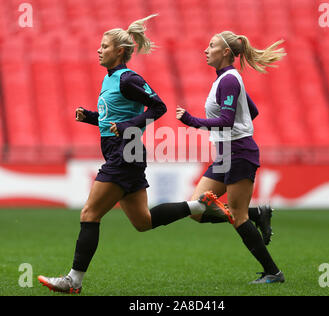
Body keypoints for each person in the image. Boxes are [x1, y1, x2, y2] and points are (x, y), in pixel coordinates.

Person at [37, 14, 233, 294]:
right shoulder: (111, 79)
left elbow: (158, 107)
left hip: (124, 154)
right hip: (124, 153)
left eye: (104, 46)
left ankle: (73, 280)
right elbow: (114, 119)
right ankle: (197, 206)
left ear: (119, 51)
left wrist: (127, 126)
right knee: (144, 222)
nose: (98, 50)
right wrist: (91, 117)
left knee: (89, 214)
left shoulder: (129, 78)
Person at [176, 31, 286, 284]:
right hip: (226, 153)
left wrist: (190, 120)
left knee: (237, 217)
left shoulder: (228, 80)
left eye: (211, 45)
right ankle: (257, 214)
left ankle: (273, 272)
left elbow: (226, 121)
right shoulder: (225, 80)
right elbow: (252, 111)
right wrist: (240, 125)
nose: (206, 49)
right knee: (197, 209)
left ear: (226, 52)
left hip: (238, 152)